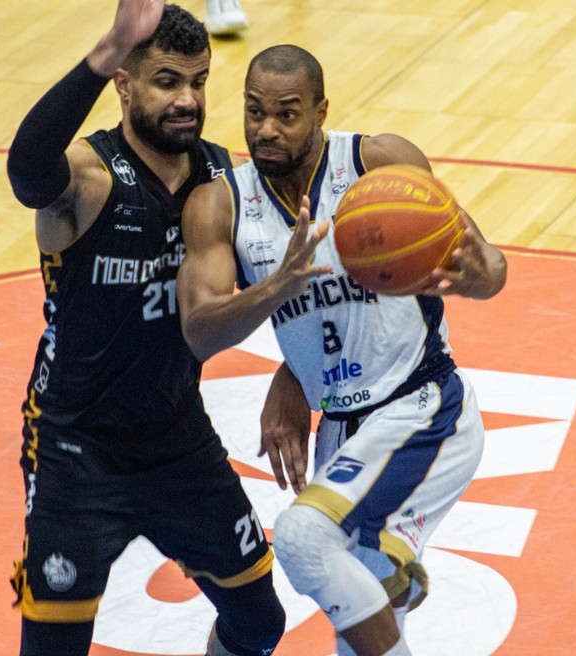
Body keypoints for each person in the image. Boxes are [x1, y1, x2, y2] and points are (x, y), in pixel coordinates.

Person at [176, 44, 507, 655]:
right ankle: (391, 576)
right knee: (358, 622)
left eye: (287, 114)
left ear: (321, 111)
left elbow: (487, 269)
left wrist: (481, 273)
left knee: (303, 537)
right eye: (253, 112)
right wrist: (281, 290)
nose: (266, 130)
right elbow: (200, 331)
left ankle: (389, 574)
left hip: (422, 408)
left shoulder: (378, 163)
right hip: (341, 430)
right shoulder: (220, 203)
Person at [5, 3, 285, 655]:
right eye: (166, 81)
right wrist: (108, 46)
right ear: (125, 85)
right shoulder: (88, 177)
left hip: (177, 440)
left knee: (260, 621)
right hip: (77, 448)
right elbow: (25, 170)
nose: (187, 99)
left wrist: (294, 380)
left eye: (199, 81)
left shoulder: (223, 180)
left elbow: (290, 283)